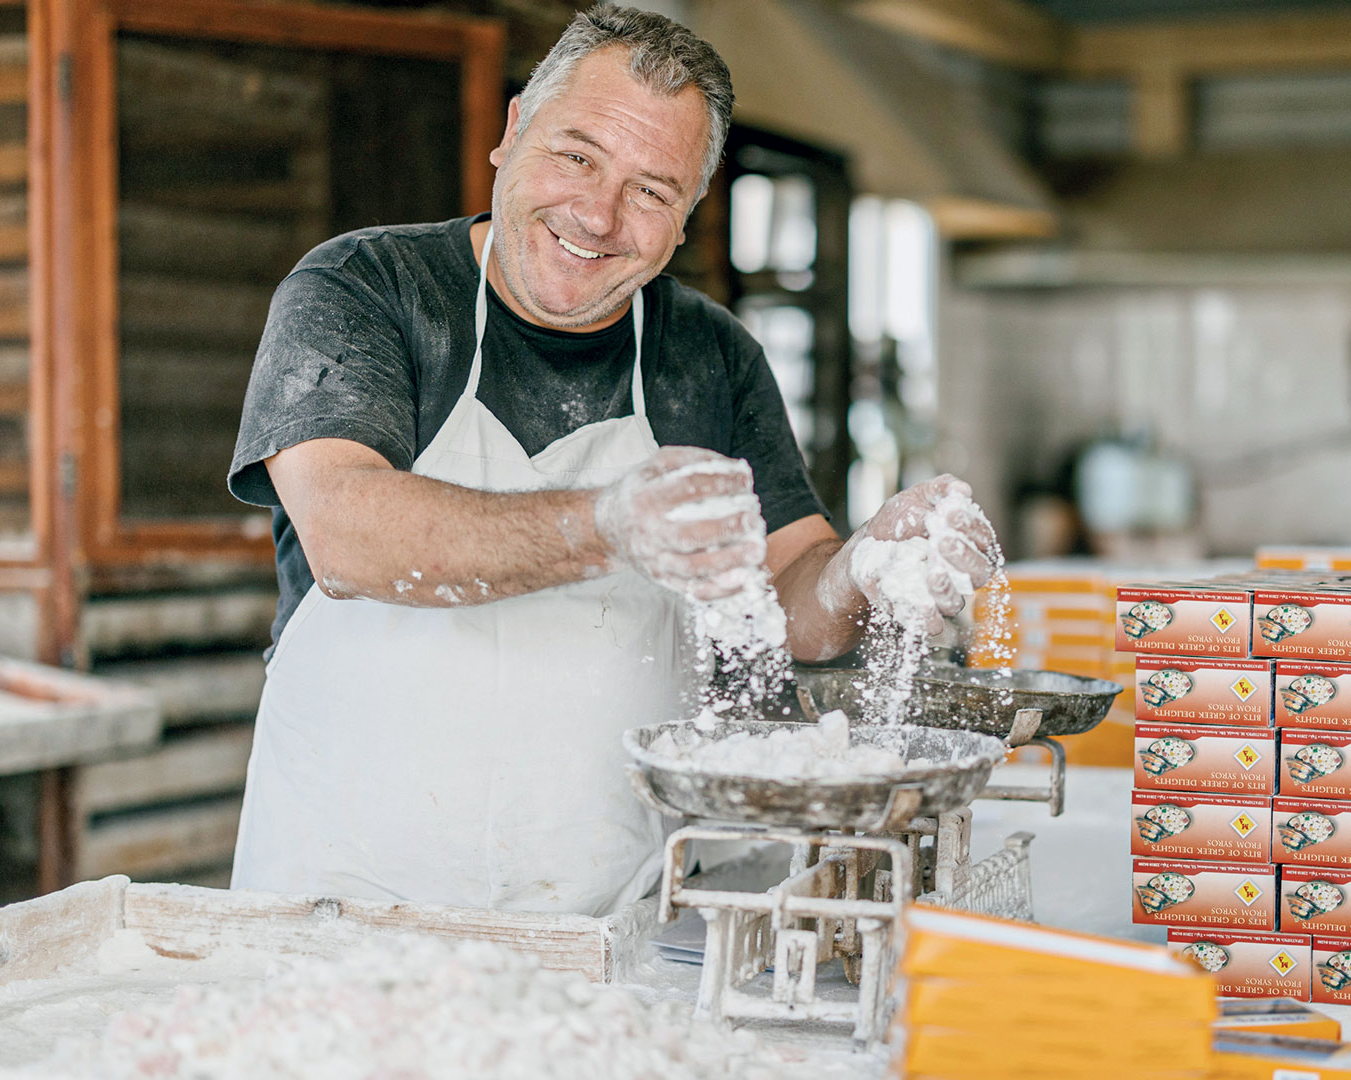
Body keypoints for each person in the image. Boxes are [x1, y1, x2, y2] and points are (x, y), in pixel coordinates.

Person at [226, 4, 998, 916]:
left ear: (688, 216)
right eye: (577, 156)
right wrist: (609, 526)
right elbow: (348, 538)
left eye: (651, 192)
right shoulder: (366, 290)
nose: (596, 216)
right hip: (342, 902)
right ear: (513, 131)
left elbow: (794, 599)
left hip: (605, 917)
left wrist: (863, 565)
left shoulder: (711, 356)